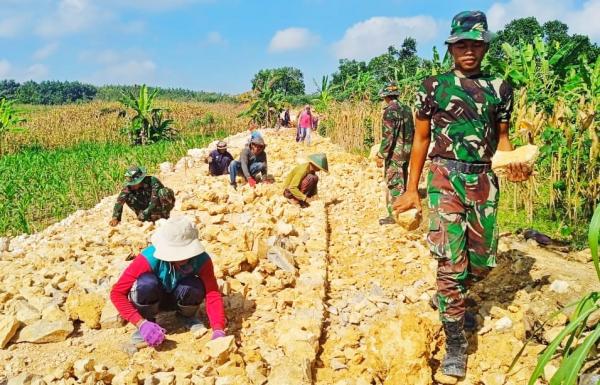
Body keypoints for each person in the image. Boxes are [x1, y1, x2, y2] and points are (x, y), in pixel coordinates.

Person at [393, 11, 532, 378]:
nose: (468, 50)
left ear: (484, 46)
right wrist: (412, 190)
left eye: (475, 43)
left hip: (484, 180)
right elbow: (421, 139)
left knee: (482, 262)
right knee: (451, 262)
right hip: (444, 177)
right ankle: (456, 341)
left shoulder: (501, 87)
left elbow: (502, 140)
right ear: (451, 48)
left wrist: (515, 163)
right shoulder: (433, 86)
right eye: (461, 44)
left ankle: (447, 295)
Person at [110, 216, 226, 349]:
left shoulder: (202, 260)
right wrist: (140, 323)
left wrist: (218, 329)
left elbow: (212, 294)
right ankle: (149, 323)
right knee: (146, 284)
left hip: (178, 297)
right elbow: (117, 293)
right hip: (153, 297)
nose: (181, 258)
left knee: (194, 285)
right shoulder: (149, 258)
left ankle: (186, 316)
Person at [375, 81, 414, 225]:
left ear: (386, 96)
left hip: (395, 154)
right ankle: (403, 211)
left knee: (394, 184)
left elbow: (388, 136)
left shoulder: (389, 111)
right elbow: (412, 131)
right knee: (402, 180)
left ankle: (396, 215)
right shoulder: (407, 109)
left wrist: (381, 154)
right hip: (406, 151)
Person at [110, 166, 175, 226]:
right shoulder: (129, 187)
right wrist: (115, 217)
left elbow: (155, 199)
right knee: (127, 197)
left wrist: (146, 212)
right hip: (144, 212)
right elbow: (119, 201)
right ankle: (147, 219)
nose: (132, 185)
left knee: (164, 192)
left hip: (159, 207)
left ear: (140, 180)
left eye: (134, 183)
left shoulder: (153, 181)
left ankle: (165, 216)